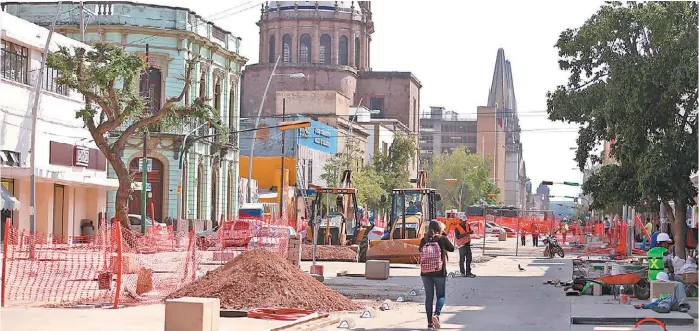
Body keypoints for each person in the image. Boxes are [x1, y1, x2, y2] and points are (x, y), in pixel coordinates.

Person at [419, 220, 455, 329]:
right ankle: (437, 314)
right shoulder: (442, 239)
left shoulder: (424, 240)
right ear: (439, 228)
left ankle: (430, 323)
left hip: (425, 273)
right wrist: (444, 235)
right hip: (439, 272)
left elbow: (420, 251)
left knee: (429, 297)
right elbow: (452, 248)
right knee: (441, 296)